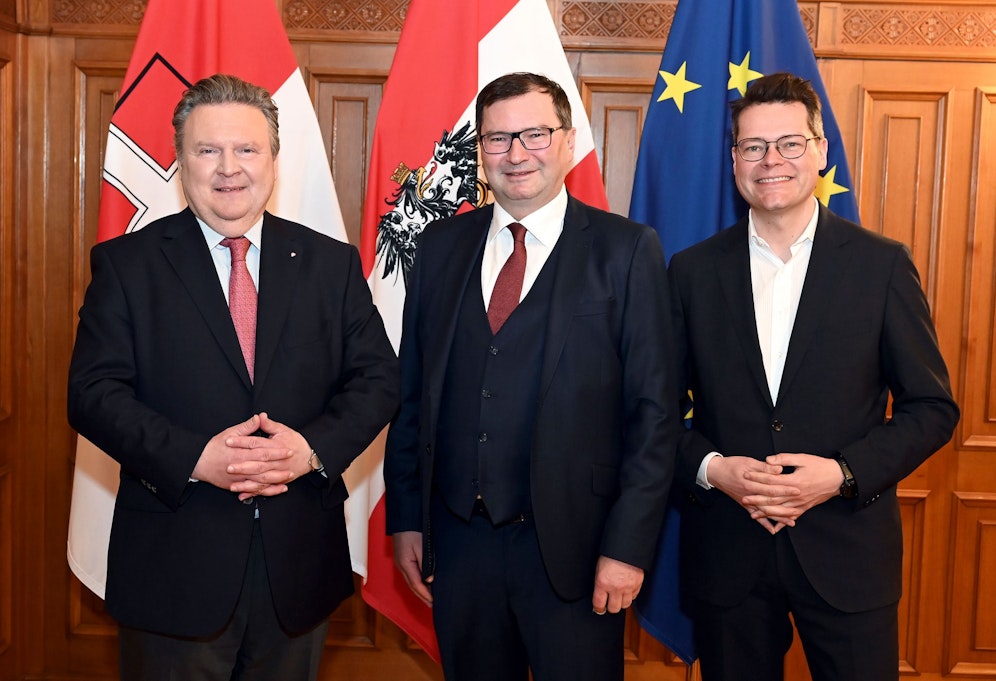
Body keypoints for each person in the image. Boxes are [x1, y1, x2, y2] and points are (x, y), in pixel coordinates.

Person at [67, 74, 399, 681]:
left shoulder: (330, 262)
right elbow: (92, 394)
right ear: (179, 160)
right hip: (174, 563)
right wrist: (196, 457)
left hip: (297, 566)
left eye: (246, 149)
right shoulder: (127, 265)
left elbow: (378, 378)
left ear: (273, 157)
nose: (229, 169)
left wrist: (310, 449)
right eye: (207, 150)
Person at [383, 71, 680, 681]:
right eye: (497, 139)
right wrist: (407, 517)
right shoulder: (439, 248)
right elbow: (412, 395)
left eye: (535, 134)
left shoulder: (626, 250)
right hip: (459, 546)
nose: (516, 154)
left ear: (569, 142)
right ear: (480, 152)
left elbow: (654, 415)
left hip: (576, 550)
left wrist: (625, 547)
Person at [667, 72, 959, 681]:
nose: (771, 160)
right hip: (729, 553)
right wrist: (714, 469)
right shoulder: (690, 272)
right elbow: (653, 410)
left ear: (821, 151)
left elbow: (931, 407)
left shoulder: (881, 265)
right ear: (735, 159)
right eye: (753, 146)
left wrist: (841, 474)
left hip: (847, 552)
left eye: (790, 143)